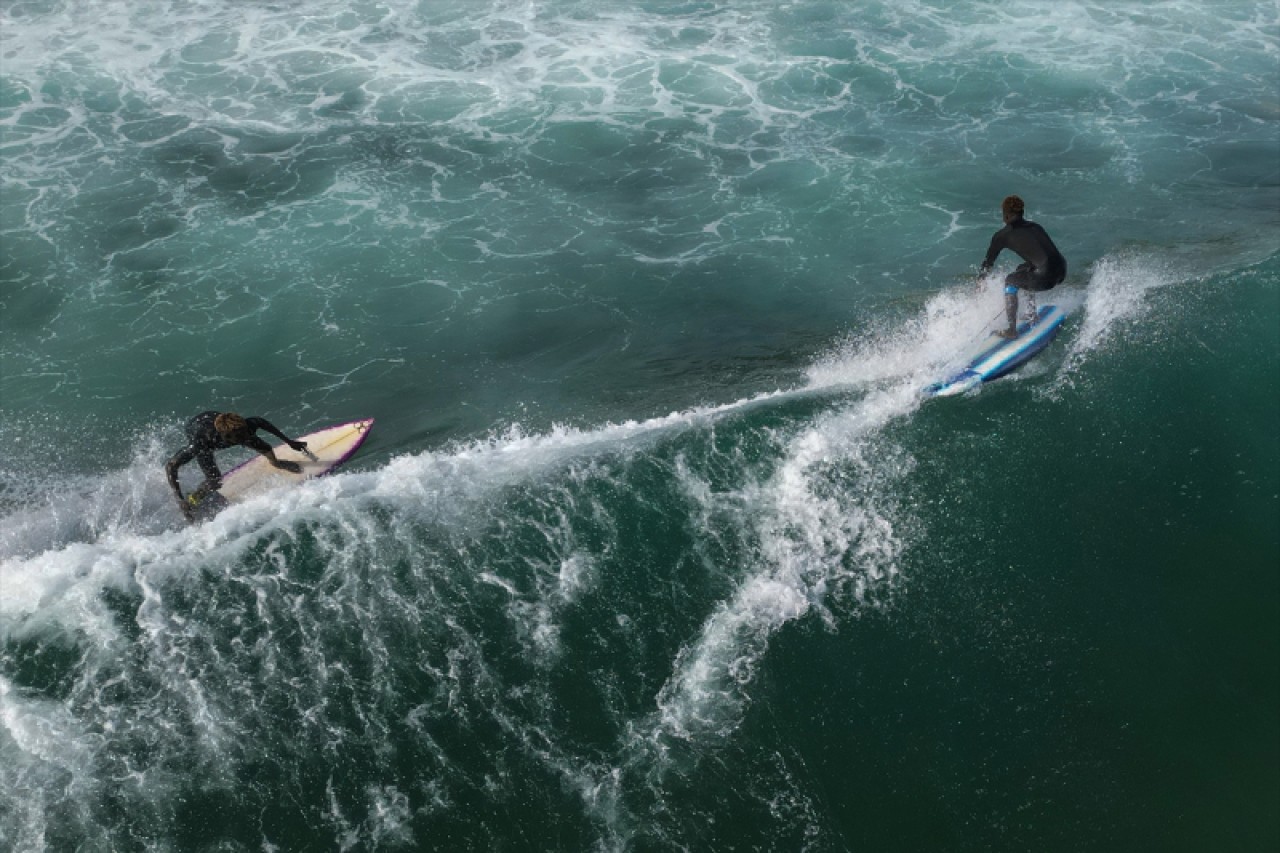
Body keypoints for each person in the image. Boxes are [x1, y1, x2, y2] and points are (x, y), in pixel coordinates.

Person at [165, 411, 308, 522]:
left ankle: (276, 463)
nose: (246, 438)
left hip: (219, 422)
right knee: (214, 480)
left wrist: (289, 442)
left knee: (265, 447)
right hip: (197, 428)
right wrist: (179, 499)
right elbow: (171, 466)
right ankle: (193, 499)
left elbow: (265, 424)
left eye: (245, 433)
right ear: (225, 437)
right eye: (239, 437)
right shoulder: (201, 442)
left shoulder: (246, 427)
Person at [979, 195, 1067, 338]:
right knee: (1022, 269)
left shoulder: (1002, 236)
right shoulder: (1035, 226)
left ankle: (1011, 330)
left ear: (1006, 216)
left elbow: (988, 264)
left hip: (1046, 278)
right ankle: (1032, 313)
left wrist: (980, 281)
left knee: (1010, 280)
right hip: (1062, 270)